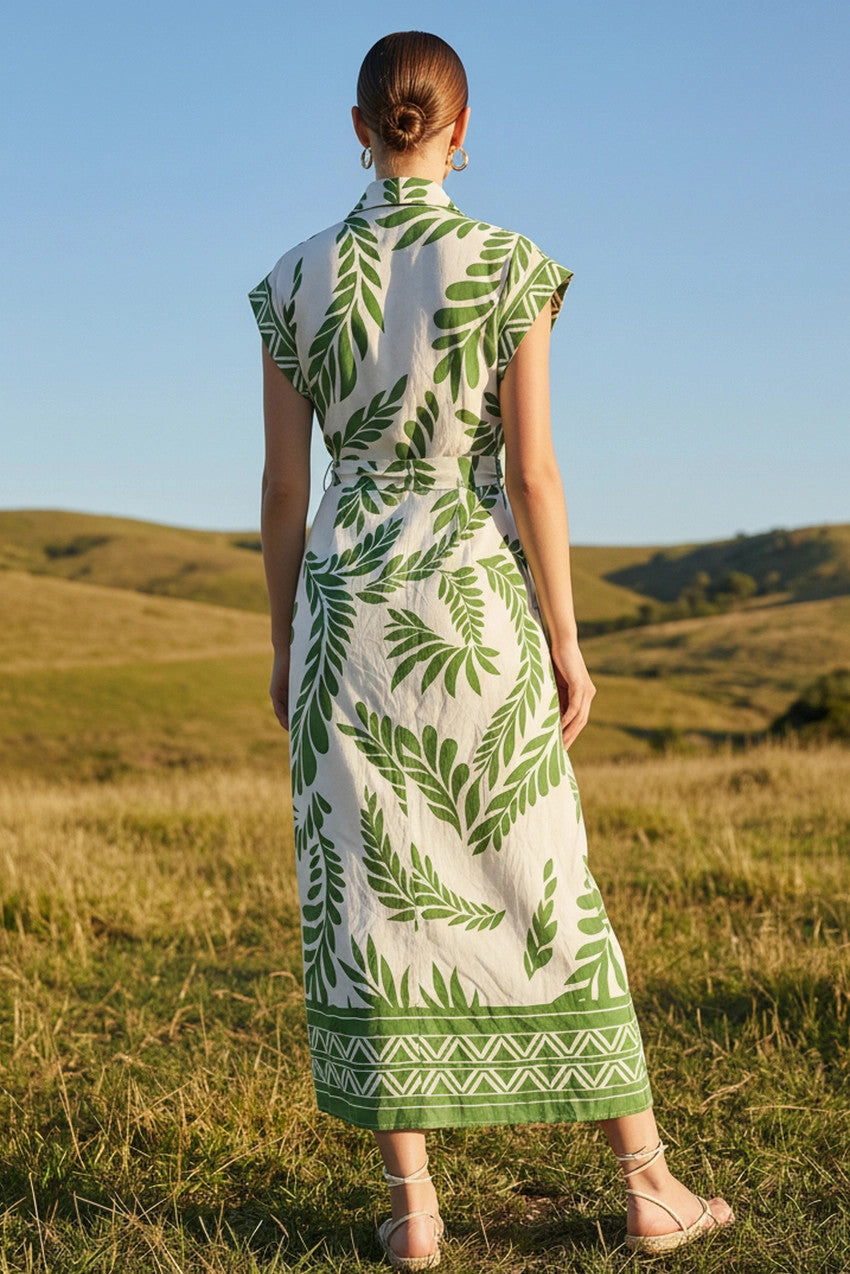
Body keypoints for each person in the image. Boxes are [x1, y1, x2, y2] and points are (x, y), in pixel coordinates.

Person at [250, 31, 733, 1270]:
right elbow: (532, 474)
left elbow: (283, 489)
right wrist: (566, 639)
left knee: (369, 897)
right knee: (548, 878)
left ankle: (413, 1208)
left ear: (357, 128)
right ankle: (648, 1184)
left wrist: (284, 639)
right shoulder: (511, 267)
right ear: (461, 132)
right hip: (471, 610)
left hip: (346, 620)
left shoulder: (291, 282)